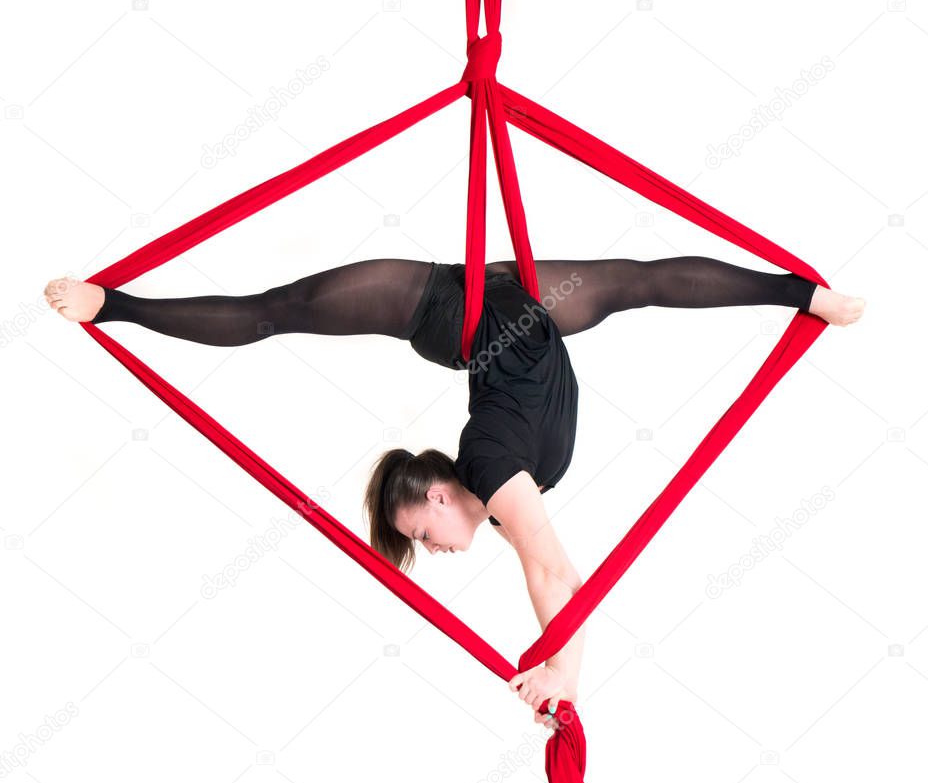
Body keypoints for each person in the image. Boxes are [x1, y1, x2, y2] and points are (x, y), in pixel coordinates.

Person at [44, 256, 865, 729]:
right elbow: (546, 577)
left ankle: (110, 305)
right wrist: (555, 673)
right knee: (638, 283)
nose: (436, 550)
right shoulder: (501, 491)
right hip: (532, 300)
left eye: (423, 534)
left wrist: (562, 679)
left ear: (440, 495)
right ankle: (808, 296)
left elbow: (561, 579)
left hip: (448, 301)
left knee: (277, 312)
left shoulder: (486, 462)